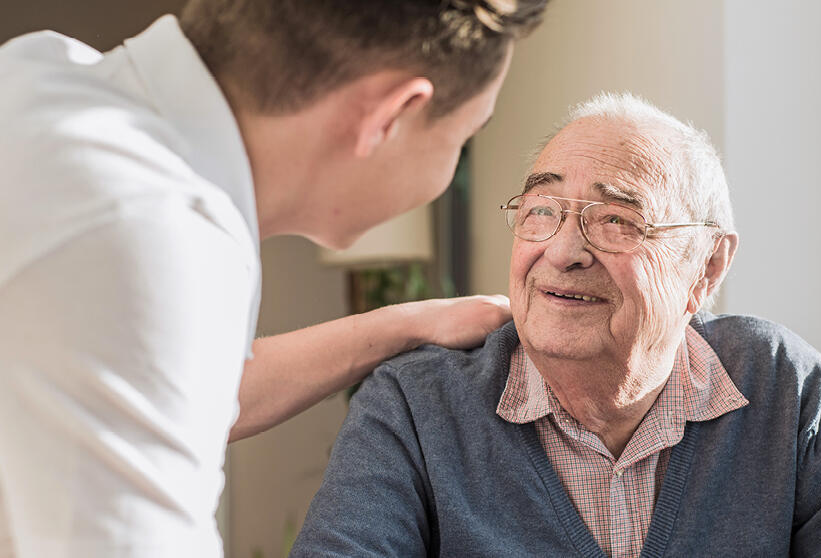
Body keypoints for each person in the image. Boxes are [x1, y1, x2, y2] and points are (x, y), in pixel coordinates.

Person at [0, 1, 550, 556]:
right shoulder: (146, 235)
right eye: (463, 138)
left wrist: (405, 323)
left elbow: (158, 384)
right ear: (391, 116)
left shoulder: (38, 75)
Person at [290, 93, 821, 557]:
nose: (564, 250)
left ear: (707, 266)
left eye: (617, 219)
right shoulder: (416, 404)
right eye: (541, 210)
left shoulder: (778, 384)